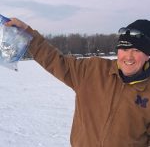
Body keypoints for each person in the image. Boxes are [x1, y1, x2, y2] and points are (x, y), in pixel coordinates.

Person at [5, 18, 150, 147]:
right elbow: (56, 60)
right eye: (124, 49)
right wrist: (28, 35)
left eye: (136, 50)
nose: (128, 57)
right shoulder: (92, 70)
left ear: (147, 55)